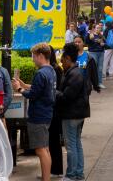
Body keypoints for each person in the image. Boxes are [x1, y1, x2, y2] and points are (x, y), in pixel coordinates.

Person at [12, 42, 57, 181]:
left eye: (34, 56)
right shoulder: (51, 71)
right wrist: (24, 84)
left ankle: (46, 178)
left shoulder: (40, 73)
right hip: (47, 113)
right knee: (45, 148)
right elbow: (40, 88)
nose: (32, 59)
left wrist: (19, 89)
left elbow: (33, 95)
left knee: (40, 149)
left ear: (41, 56)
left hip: (38, 115)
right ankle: (46, 177)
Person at [55, 43, 91, 181]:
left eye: (63, 59)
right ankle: (78, 173)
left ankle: (71, 174)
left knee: (71, 145)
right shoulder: (76, 72)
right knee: (76, 144)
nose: (62, 62)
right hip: (78, 113)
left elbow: (66, 96)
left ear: (68, 58)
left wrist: (55, 92)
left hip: (72, 114)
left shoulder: (74, 74)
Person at [48, 47, 65, 179]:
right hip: (56, 109)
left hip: (54, 110)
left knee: (53, 142)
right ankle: (55, 169)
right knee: (54, 142)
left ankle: (55, 169)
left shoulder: (53, 70)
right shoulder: (56, 69)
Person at [87, 22, 107, 89]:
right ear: (94, 29)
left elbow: (106, 44)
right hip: (93, 53)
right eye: (97, 28)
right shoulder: (91, 35)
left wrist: (103, 44)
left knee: (100, 69)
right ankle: (92, 83)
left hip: (101, 53)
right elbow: (86, 42)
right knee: (93, 68)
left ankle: (99, 83)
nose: (99, 29)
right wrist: (88, 34)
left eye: (100, 28)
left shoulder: (101, 36)